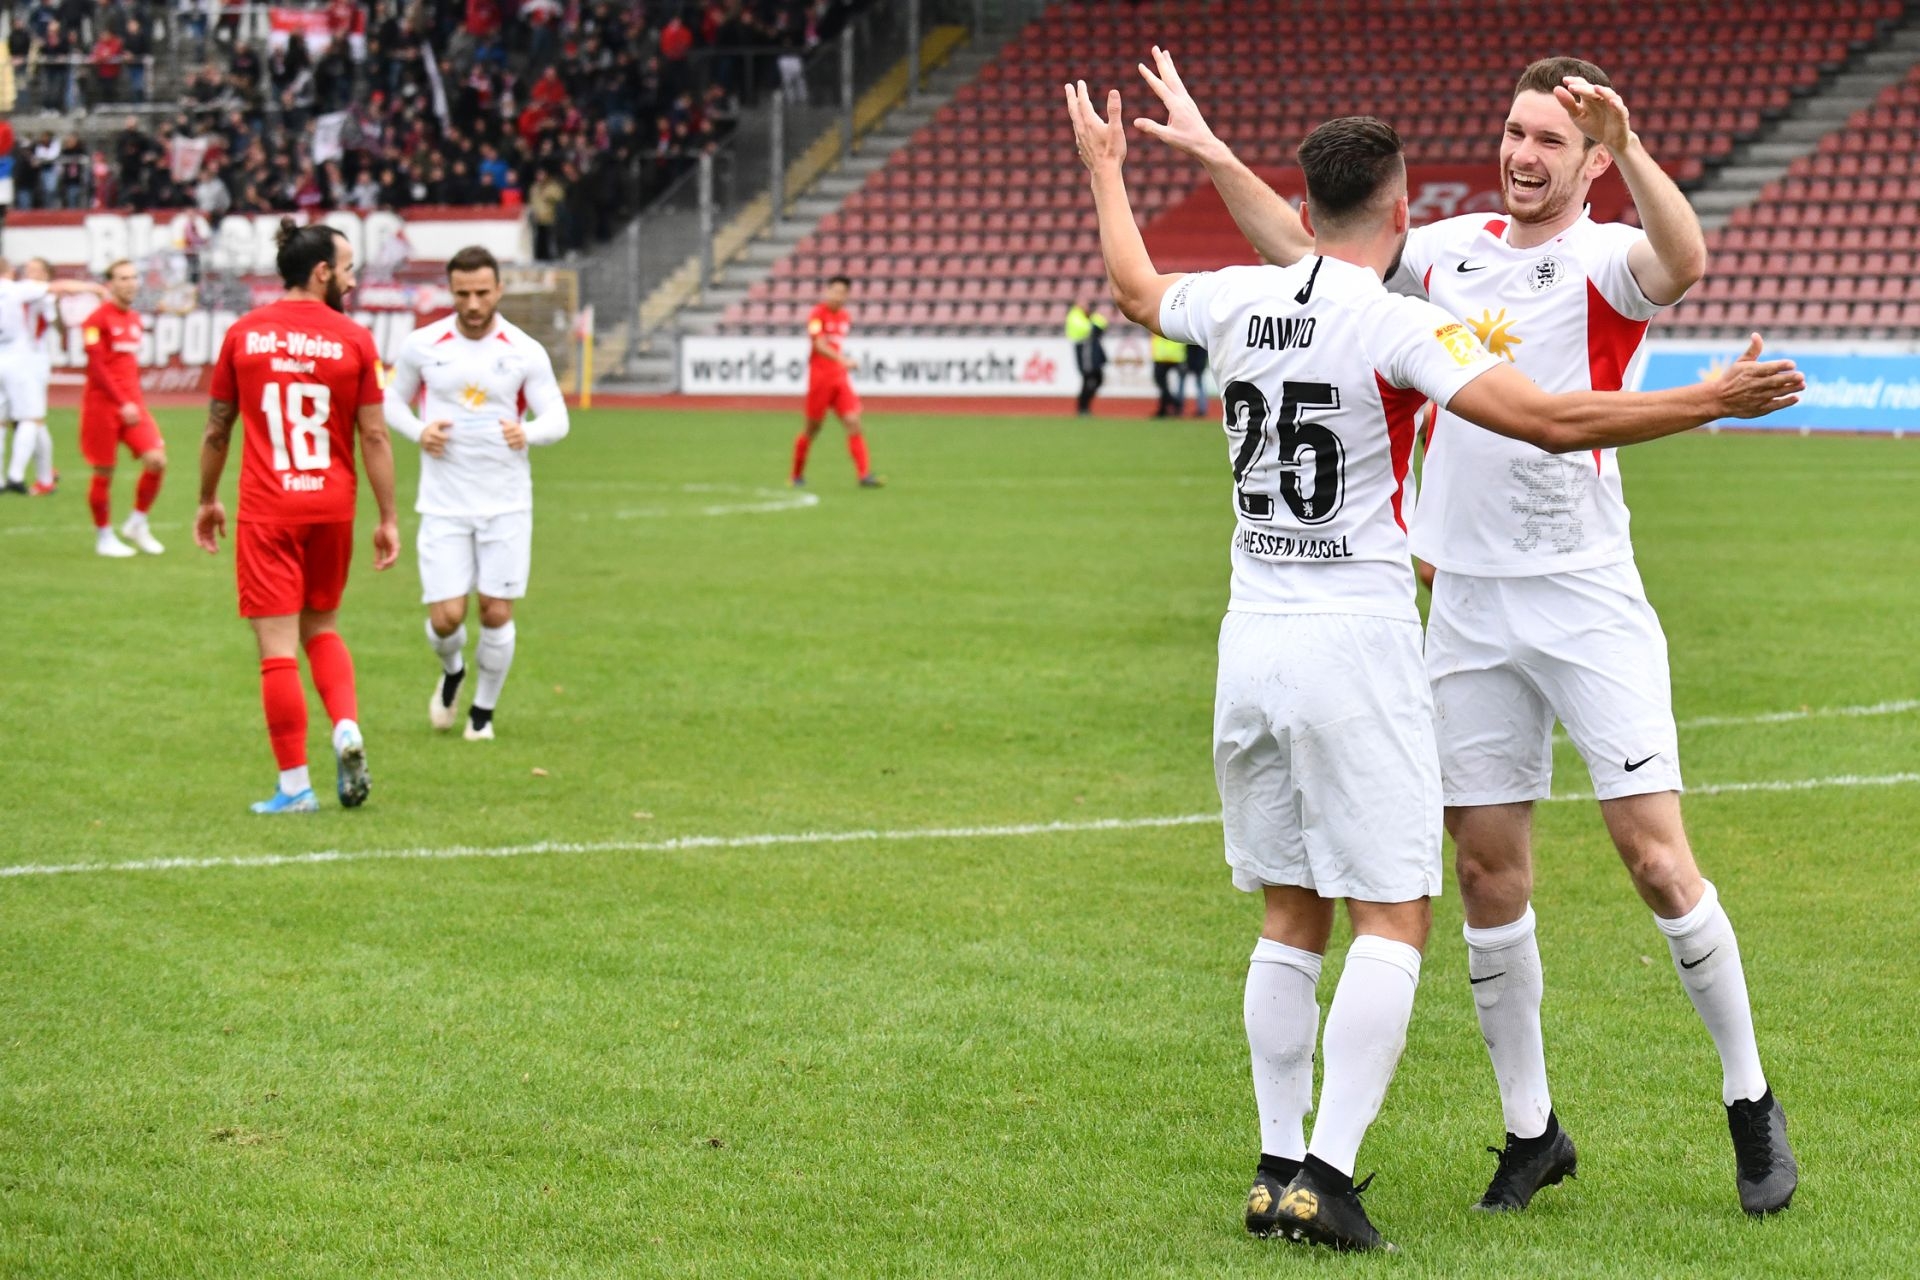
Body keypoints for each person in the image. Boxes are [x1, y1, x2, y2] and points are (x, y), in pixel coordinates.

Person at [1065, 79, 1799, 1252]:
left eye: (1549, 139)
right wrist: (1212, 152)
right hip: (1457, 603)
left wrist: (1636, 144)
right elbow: (1314, 248)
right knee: (1484, 875)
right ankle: (1530, 1130)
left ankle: (1750, 1099)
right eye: (1511, 131)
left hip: (1582, 594)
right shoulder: (1438, 256)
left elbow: (1686, 259)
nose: (1521, 152)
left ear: (1587, 160)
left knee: (1655, 858)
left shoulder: (1607, 255)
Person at [192, 219, 401, 814]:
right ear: (322, 272)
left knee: (277, 647)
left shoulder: (243, 334)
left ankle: (294, 787)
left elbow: (216, 428)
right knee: (324, 628)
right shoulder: (356, 340)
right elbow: (376, 436)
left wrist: (207, 500)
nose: (354, 281)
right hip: (332, 507)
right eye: (349, 268)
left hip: (269, 508)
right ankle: (345, 726)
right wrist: (387, 517)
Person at [383, 245, 570, 741]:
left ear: (498, 290)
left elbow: (557, 418)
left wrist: (526, 433)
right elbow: (390, 402)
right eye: (463, 293)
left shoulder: (524, 350)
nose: (472, 303)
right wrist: (419, 431)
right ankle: (452, 673)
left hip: (506, 502)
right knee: (446, 619)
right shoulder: (424, 345)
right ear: (451, 291)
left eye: (482, 292)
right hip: (443, 502)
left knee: (495, 610)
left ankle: (481, 715)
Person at [78, 260, 167, 555]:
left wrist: (131, 402)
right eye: (123, 278)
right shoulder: (95, 321)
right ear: (110, 284)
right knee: (104, 471)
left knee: (157, 460)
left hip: (133, 406)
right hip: (103, 407)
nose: (130, 282)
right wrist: (121, 402)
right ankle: (104, 537)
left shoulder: (134, 319)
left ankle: (136, 523)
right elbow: (97, 367)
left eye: (133, 277)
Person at [1, 258, 89, 495]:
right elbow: (57, 324)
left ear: (47, 274)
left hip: (22, 359)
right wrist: (96, 289)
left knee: (20, 421)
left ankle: (43, 474)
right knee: (33, 419)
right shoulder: (26, 292)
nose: (31, 273)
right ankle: (21, 476)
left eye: (37, 270)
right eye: (28, 270)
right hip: (27, 360)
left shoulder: (23, 293)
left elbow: (55, 324)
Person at [792, 274, 880, 488]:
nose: (837, 296)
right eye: (834, 291)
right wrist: (843, 360)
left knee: (854, 422)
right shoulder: (816, 315)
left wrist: (841, 364)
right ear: (827, 291)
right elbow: (819, 345)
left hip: (839, 380)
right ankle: (796, 475)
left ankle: (864, 475)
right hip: (820, 380)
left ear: (846, 295)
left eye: (842, 292)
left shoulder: (844, 317)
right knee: (812, 429)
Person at [1064, 299, 1108, 416]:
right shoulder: (1074, 315)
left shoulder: (1086, 316)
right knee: (1089, 377)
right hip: (1085, 349)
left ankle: (1083, 406)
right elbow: (1087, 329)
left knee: (1095, 378)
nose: (1086, 307)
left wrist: (1092, 320)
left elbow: (1102, 323)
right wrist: (1092, 323)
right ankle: (1083, 407)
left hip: (1091, 348)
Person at [1149, 330, 1184, 417]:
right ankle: (1164, 407)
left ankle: (1174, 403)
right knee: (1163, 384)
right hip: (1176, 356)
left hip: (1162, 356)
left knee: (1161, 383)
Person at [1182, 340, 1210, 418]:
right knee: (1200, 386)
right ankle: (1202, 408)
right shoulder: (1202, 338)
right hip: (1199, 364)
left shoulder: (1191, 336)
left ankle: (1179, 408)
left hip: (1193, 363)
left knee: (1198, 385)